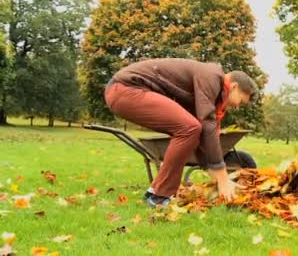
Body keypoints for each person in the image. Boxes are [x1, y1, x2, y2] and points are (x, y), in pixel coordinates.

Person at [104, 58, 258, 208]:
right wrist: (222, 177)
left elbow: (206, 132)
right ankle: (160, 196)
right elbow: (206, 123)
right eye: (241, 102)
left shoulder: (210, 88)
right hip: (126, 88)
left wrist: (213, 172)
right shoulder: (211, 75)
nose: (237, 107)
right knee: (189, 128)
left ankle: (154, 193)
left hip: (126, 91)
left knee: (191, 126)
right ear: (234, 87)